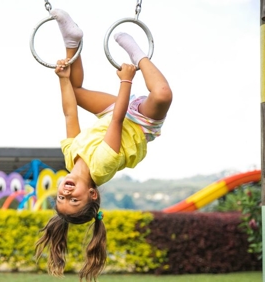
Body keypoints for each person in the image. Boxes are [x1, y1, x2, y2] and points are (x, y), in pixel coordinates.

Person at [34, 9, 172, 282]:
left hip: (112, 112)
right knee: (163, 95)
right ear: (92, 195)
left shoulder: (70, 157)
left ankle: (71, 39)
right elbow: (118, 122)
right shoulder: (101, 167)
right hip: (139, 123)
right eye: (74, 199)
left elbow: (70, 113)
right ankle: (139, 55)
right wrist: (126, 80)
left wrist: (62, 79)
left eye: (62, 197)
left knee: (73, 90)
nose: (66, 193)